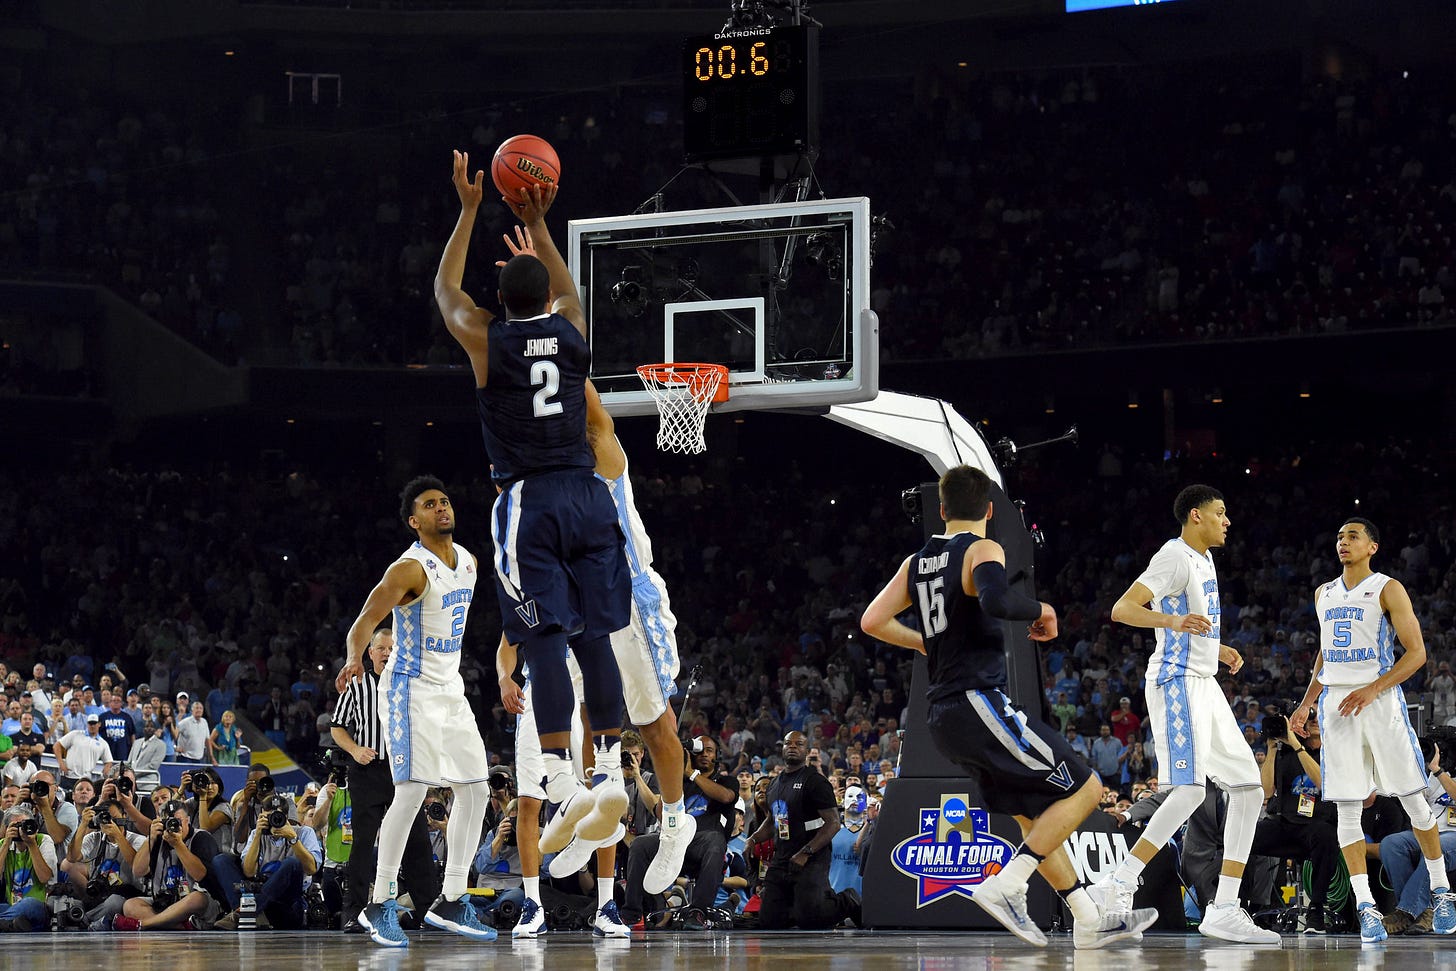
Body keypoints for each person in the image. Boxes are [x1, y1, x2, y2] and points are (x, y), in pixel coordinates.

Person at [861, 465, 1154, 949]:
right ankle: (1009, 882)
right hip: (979, 701)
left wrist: (925, 645)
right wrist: (1043, 610)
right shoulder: (983, 547)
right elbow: (996, 598)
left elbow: (872, 620)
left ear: (941, 509)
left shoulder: (917, 562)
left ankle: (1087, 919)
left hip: (942, 717)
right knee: (1087, 788)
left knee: (1032, 817)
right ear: (990, 510)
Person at [433, 153, 631, 861]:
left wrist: (466, 210)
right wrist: (539, 224)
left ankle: (558, 775)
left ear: (502, 298)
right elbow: (569, 291)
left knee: (544, 638)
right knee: (596, 637)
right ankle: (607, 765)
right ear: (547, 296)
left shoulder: (488, 337)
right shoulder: (573, 333)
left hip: (529, 499)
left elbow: (445, 290)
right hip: (588, 494)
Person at [1095, 484, 1279, 944]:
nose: (1227, 521)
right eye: (1220, 513)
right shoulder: (1174, 555)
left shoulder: (1204, 559)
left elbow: (1192, 623)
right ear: (1196, 516)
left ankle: (1225, 907)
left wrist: (1216, 649)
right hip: (1176, 682)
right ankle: (1117, 886)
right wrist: (1172, 622)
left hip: (1203, 681)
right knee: (1189, 793)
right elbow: (1123, 609)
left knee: (1249, 789)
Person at [335, 475, 496, 947]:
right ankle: (379, 903)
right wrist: (352, 658)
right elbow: (366, 618)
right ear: (414, 520)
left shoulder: (468, 561)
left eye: (445, 501)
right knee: (411, 791)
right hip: (409, 689)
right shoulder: (409, 569)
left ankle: (451, 899)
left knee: (477, 791)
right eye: (430, 505)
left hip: (450, 688)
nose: (441, 508)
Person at [1290, 517, 1456, 942]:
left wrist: (1372, 689)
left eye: (1353, 536)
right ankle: (1365, 906)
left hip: (1380, 703)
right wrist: (1307, 702)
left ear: (1373, 547)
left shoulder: (1387, 587)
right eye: (1340, 536)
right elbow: (1325, 655)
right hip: (1336, 707)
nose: (1343, 542)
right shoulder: (1323, 593)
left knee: (1413, 797)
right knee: (1347, 807)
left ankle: (1441, 891)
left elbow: (1416, 653)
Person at [331, 628, 439, 935]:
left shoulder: (408, 683)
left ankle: (427, 911)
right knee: (362, 844)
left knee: (416, 839)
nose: (387, 652)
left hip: (403, 772)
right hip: (367, 772)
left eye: (392, 647)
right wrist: (355, 749)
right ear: (370, 652)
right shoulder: (357, 684)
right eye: (381, 648)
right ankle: (353, 914)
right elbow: (338, 727)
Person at [746, 732, 860, 930]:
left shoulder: (815, 781)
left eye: (798, 744)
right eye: (788, 743)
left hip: (812, 856)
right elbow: (772, 821)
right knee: (769, 922)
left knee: (811, 919)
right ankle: (796, 908)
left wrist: (806, 852)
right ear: (782, 749)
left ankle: (847, 900)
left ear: (806, 752)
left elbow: (833, 823)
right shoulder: (774, 784)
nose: (792, 747)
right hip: (782, 857)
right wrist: (753, 839)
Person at [1250, 709, 1339, 932]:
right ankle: (1240, 904)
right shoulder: (1285, 753)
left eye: (1319, 715)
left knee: (1326, 837)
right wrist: (1271, 751)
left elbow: (1324, 785)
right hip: (1287, 824)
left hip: (1318, 825)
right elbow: (1266, 791)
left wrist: (1296, 745)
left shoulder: (1334, 752)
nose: (1315, 720)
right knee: (1244, 839)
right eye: (1310, 717)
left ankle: (1316, 909)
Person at [114, 797, 223, 931]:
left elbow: (200, 875)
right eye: (168, 822)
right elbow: (138, 871)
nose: (173, 827)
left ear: (187, 820)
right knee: (130, 905)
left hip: (196, 903)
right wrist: (151, 837)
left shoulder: (201, 837)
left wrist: (178, 845)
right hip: (165, 901)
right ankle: (181, 926)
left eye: (178, 822)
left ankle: (145, 924)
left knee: (197, 898)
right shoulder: (157, 838)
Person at [54, 714, 113, 789]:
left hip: (85, 779)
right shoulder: (75, 734)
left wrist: (106, 769)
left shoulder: (103, 743)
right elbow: (57, 745)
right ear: (87, 724)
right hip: (68, 776)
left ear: (99, 724)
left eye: (94, 723)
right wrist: (61, 762)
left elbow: (109, 761)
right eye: (90, 723)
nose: (92, 726)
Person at [830, 785, 868, 896]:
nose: (854, 800)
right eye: (850, 796)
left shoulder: (873, 832)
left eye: (859, 797)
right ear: (843, 800)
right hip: (835, 894)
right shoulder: (829, 829)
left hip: (863, 897)